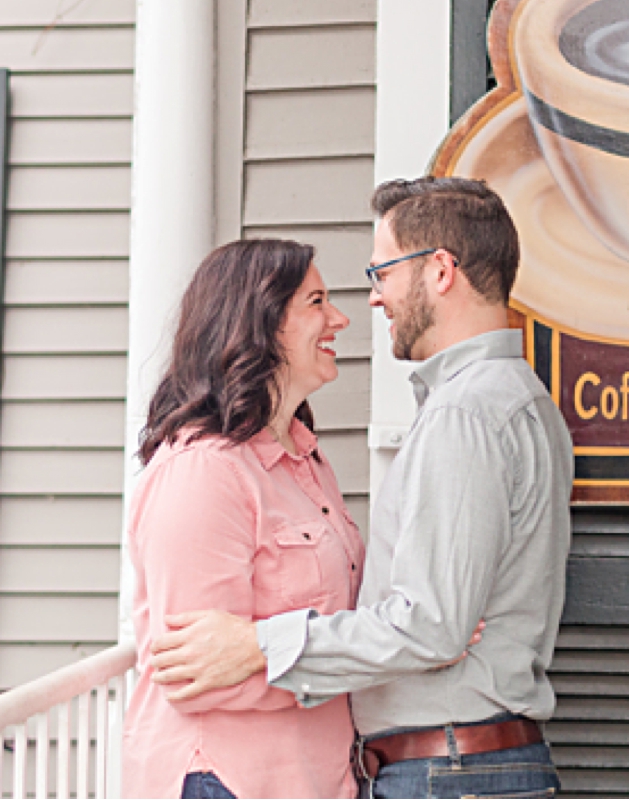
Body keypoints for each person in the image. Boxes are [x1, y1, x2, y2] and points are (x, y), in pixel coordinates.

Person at [148, 177, 576, 799]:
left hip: (452, 771)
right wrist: (412, 621)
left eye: (382, 273)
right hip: (458, 765)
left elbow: (432, 627)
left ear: (439, 270)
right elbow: (436, 622)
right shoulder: (519, 402)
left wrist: (259, 644)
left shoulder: (464, 414)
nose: (373, 301)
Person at [122, 239, 366, 799]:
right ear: (260, 323)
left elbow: (336, 611)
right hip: (225, 780)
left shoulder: (304, 459)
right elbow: (192, 674)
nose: (339, 318)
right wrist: (356, 660)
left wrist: (419, 624)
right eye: (316, 302)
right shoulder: (203, 471)